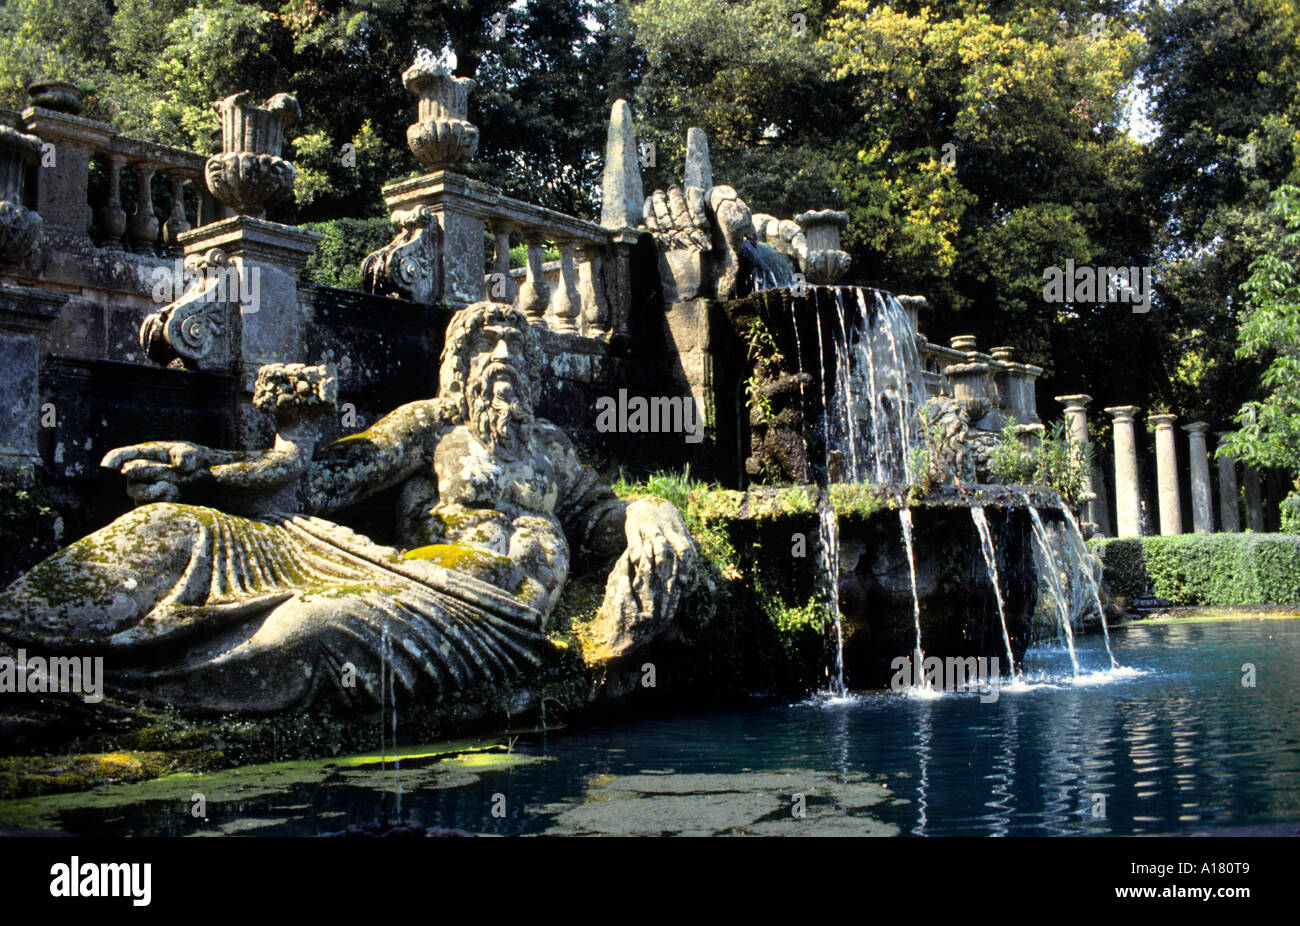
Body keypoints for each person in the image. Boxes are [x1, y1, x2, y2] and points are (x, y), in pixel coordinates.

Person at [0, 302, 696, 714]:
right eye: (486, 342)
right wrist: (210, 468)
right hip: (403, 573)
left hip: (492, 619)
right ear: (457, 363)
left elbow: (602, 513)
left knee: (315, 629)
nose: (504, 352)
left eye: (517, 342)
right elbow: (317, 484)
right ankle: (16, 642)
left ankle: (96, 687)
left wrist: (650, 514)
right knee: (177, 527)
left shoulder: (550, 448)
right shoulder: (432, 426)